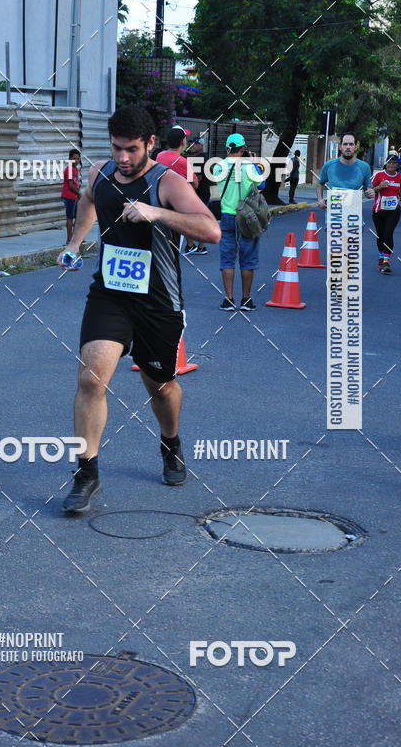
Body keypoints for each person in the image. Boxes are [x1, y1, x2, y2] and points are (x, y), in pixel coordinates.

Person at [57, 105, 221, 513]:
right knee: (91, 379)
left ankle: (171, 443)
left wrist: (156, 213)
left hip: (158, 301)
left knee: (160, 385)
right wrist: (75, 243)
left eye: (131, 149)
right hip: (110, 294)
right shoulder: (100, 173)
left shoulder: (167, 182)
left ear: (150, 143)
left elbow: (211, 229)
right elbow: (88, 201)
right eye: (116, 148)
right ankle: (86, 474)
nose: (123, 157)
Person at [214, 133, 263, 311]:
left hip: (227, 215)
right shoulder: (249, 167)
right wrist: (254, 163)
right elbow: (262, 185)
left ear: (227, 148)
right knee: (247, 257)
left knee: (227, 258)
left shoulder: (218, 167)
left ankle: (228, 299)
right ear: (242, 149)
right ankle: (246, 300)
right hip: (246, 216)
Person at [155, 125, 199, 256]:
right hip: (177, 204)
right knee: (174, 245)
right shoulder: (183, 161)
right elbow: (195, 183)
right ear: (183, 142)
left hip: (160, 200)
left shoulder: (159, 156)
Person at [316, 132, 375, 209]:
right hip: (333, 214)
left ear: (356, 147)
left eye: (351, 144)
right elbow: (320, 183)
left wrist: (370, 192)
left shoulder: (364, 167)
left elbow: (368, 189)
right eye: (345, 144)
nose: (348, 147)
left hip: (354, 214)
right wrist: (320, 199)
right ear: (340, 146)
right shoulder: (329, 165)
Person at [371, 156, 401, 273]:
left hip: (394, 211)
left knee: (388, 234)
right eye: (389, 162)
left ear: (397, 165)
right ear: (386, 164)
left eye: (394, 163)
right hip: (379, 211)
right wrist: (380, 187)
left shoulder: (400, 177)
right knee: (380, 236)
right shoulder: (379, 175)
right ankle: (381, 256)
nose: (391, 165)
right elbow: (369, 191)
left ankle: (386, 262)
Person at [184, 137, 210, 254]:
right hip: (203, 193)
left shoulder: (199, 159)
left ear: (201, 146)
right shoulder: (204, 157)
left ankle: (191, 245)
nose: (192, 146)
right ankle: (200, 246)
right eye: (191, 144)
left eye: (195, 144)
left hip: (197, 194)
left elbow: (196, 179)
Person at [61, 149, 81, 242]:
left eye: (78, 159)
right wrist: (79, 194)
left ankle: (75, 237)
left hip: (74, 196)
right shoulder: (69, 169)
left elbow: (75, 183)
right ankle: (69, 239)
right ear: (69, 159)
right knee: (70, 218)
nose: (76, 161)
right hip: (69, 196)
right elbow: (71, 185)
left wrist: (77, 194)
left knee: (77, 216)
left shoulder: (75, 169)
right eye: (74, 158)